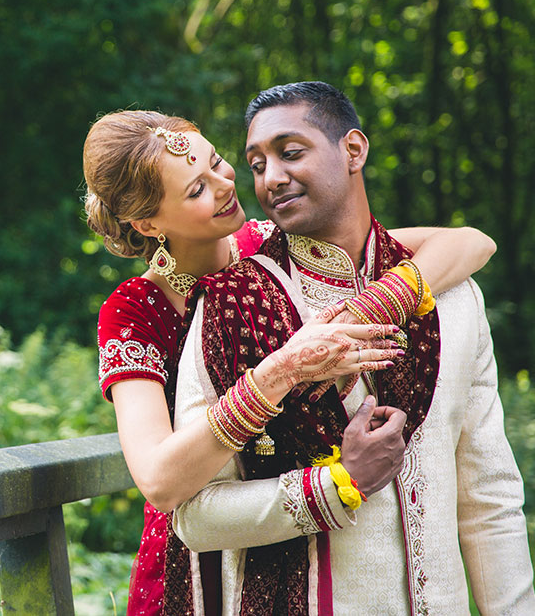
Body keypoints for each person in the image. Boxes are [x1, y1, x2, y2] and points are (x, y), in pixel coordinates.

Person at [82, 108, 497, 614]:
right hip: (199, 549)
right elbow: (159, 480)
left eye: (216, 161)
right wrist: (281, 371)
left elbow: (470, 243)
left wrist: (376, 303)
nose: (224, 184)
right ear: (147, 223)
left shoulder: (271, 244)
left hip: (308, 542)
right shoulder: (134, 310)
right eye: (196, 189)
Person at [170, 82, 535, 614]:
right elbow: (195, 518)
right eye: (255, 164)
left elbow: (489, 498)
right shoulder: (231, 306)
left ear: (354, 151)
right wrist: (336, 487)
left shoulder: (455, 296)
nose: (270, 177)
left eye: (291, 153)